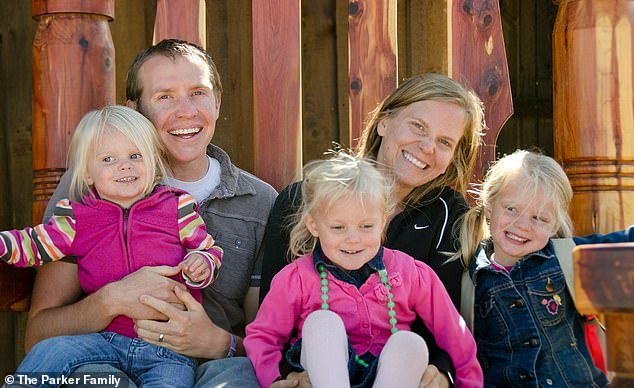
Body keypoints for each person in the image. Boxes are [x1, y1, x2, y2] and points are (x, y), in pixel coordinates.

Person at [24, 39, 277, 387]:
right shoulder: (88, 187)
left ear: (217, 102)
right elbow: (38, 336)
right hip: (105, 356)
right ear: (136, 110)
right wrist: (111, 300)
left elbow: (272, 345)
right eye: (165, 96)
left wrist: (217, 342)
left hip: (214, 369)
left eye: (198, 92)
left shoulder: (259, 202)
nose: (186, 110)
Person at [260, 73, 485, 387]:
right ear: (384, 122)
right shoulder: (304, 199)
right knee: (322, 325)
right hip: (316, 370)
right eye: (418, 126)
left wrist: (444, 373)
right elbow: (269, 319)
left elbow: (448, 324)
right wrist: (285, 377)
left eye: (444, 142)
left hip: (402, 371)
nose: (426, 147)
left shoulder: (450, 215)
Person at [6, 105, 223, 387]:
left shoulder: (177, 206)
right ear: (87, 175)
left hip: (168, 348)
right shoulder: (76, 217)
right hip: (103, 341)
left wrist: (202, 263)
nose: (125, 165)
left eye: (136, 156)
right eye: (108, 159)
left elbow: (209, 249)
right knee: (53, 349)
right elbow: (33, 244)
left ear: (153, 163)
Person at [455, 150, 626, 387]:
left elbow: (625, 240)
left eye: (539, 218)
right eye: (511, 209)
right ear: (489, 207)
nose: (522, 225)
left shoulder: (565, 257)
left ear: (554, 225)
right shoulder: (469, 281)